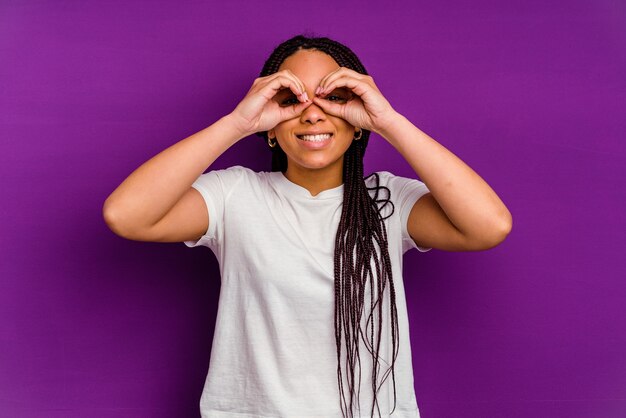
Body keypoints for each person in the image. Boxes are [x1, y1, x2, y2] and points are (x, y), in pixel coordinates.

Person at [103, 35, 512, 418]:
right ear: (269, 127)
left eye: (334, 98)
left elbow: (489, 226)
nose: (313, 112)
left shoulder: (387, 201)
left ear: (357, 126)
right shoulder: (235, 196)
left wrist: (387, 120)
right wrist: (238, 123)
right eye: (291, 98)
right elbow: (126, 215)